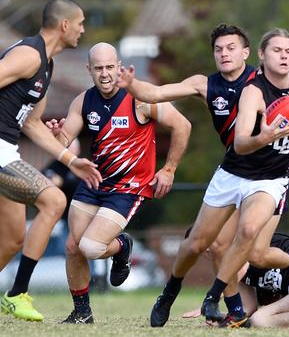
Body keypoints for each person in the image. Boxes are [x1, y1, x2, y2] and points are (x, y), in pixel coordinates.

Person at [118, 26, 289, 328]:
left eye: (231, 47)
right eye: (219, 49)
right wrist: (130, 84)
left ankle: (226, 303)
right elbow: (156, 93)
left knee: (252, 243)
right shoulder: (206, 84)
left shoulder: (264, 78)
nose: (224, 53)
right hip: (232, 172)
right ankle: (169, 294)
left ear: (248, 53)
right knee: (198, 244)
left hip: (270, 177)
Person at [43, 42, 191, 324]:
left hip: (128, 188)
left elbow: (183, 125)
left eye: (110, 67)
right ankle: (82, 312)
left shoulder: (139, 96)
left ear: (119, 66)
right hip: (95, 180)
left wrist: (169, 169)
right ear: (89, 70)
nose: (105, 74)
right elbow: (64, 143)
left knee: (91, 247)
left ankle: (121, 246)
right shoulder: (83, 101)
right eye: (98, 68)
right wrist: (54, 136)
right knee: (73, 246)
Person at [0, 0, 101, 322]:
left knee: (14, 238)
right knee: (54, 201)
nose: (83, 30)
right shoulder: (29, 54)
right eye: (81, 22)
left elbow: (31, 125)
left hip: (9, 150)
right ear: (65, 25)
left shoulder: (48, 64)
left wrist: (71, 161)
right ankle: (16, 295)